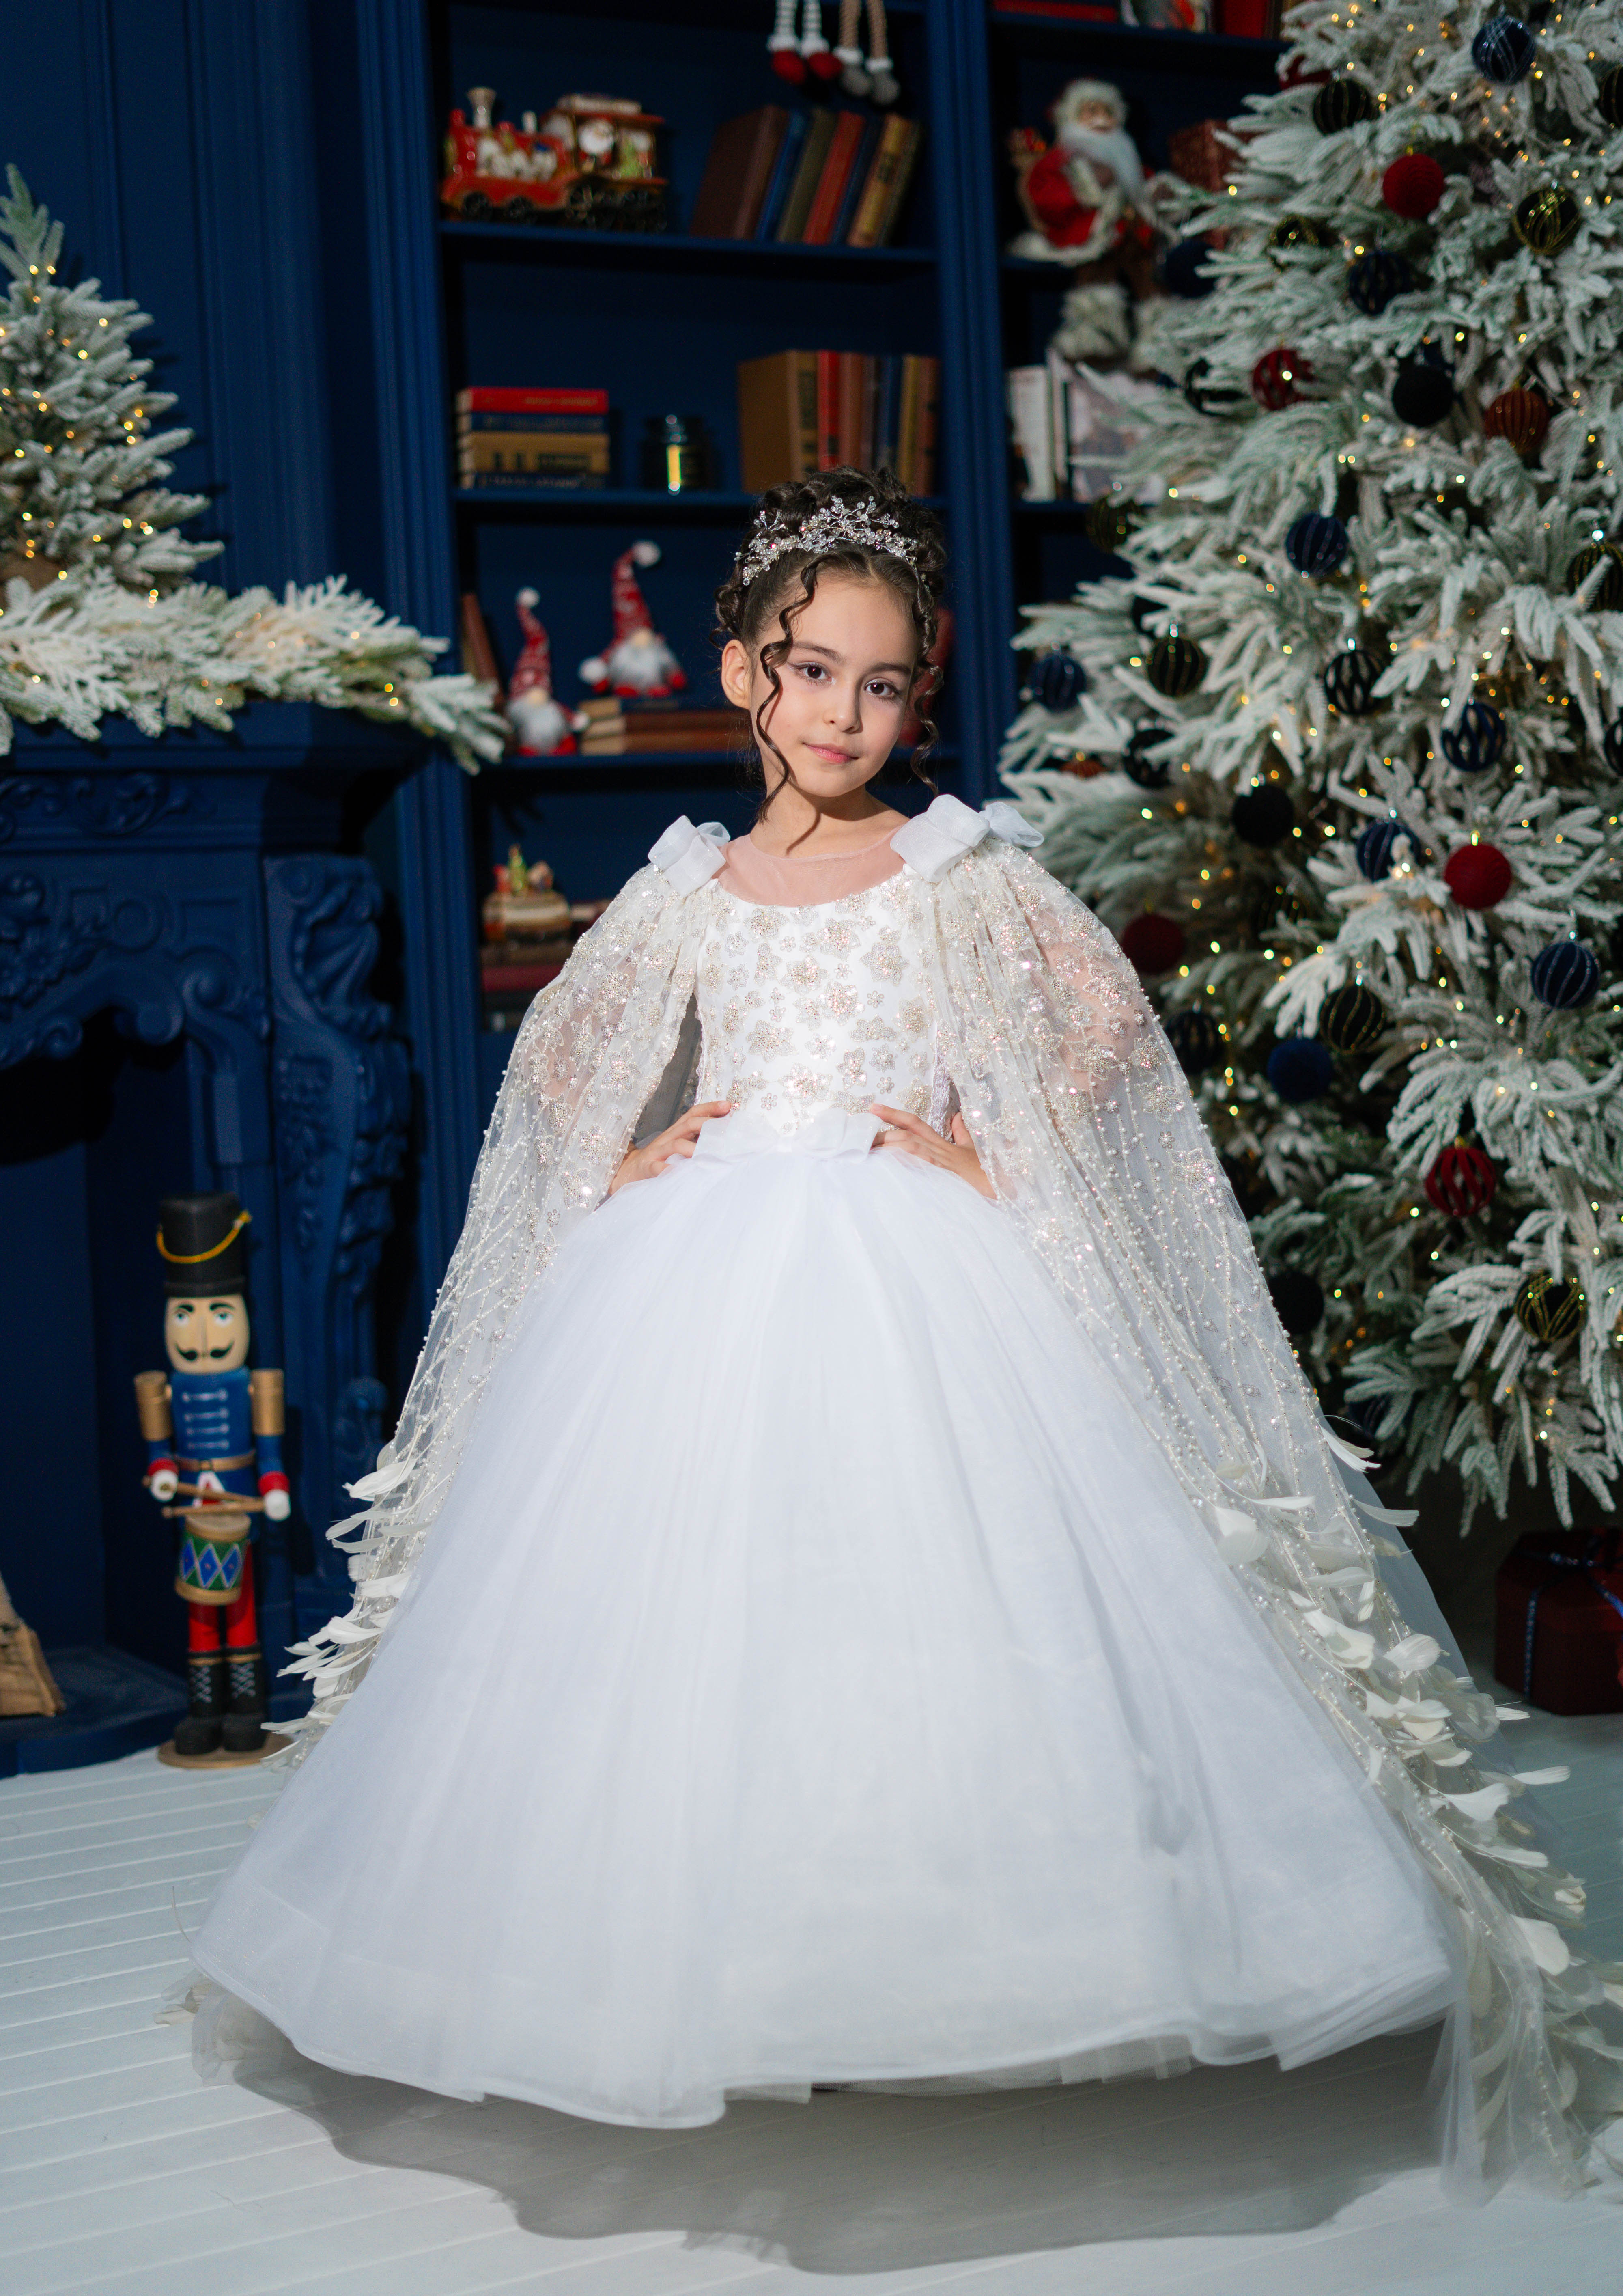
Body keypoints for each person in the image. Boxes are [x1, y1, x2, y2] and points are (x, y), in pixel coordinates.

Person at [189, 470, 1621, 2193]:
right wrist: (629, 1154)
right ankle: (732, 1979)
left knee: (934, 1598)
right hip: (702, 1280)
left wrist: (988, 1146)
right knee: (707, 1622)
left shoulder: (958, 874)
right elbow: (561, 1063)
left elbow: (1103, 1049)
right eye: (810, 674)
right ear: (742, 674)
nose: (843, 717)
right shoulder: (687, 887)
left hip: (918, 1264)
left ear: (911, 697)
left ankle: (943, 1971)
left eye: (881, 686)